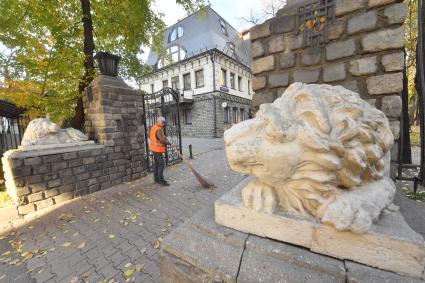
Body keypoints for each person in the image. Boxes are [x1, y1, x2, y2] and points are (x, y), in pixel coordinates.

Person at [149, 116, 171, 186]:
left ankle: (156, 179)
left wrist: (165, 139)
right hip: (157, 150)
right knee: (161, 164)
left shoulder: (154, 127)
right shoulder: (159, 129)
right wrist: (168, 142)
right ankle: (161, 180)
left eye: (164, 122)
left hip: (153, 148)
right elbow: (162, 140)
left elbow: (160, 137)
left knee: (156, 164)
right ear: (158, 121)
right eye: (163, 122)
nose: (164, 124)